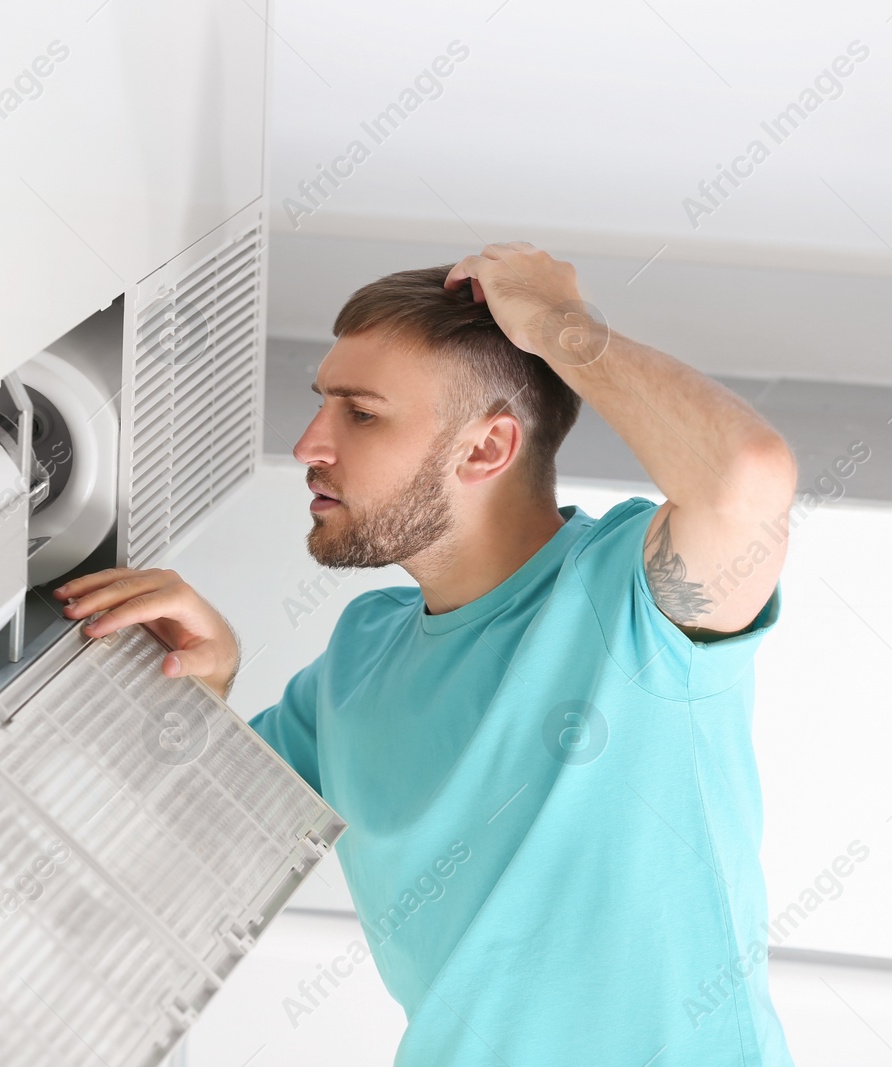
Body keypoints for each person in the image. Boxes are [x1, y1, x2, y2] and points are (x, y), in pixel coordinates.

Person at [54, 242, 799, 1065]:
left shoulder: (635, 602)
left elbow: (747, 477)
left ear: (484, 449)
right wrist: (211, 682)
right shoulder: (359, 656)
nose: (308, 445)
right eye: (322, 405)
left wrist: (559, 324)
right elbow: (206, 837)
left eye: (360, 413)